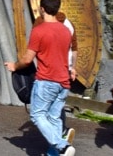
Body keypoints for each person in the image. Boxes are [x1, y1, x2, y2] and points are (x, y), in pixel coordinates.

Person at [5, 0, 75, 156]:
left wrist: (14, 66)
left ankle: (62, 146)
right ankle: (54, 153)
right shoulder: (66, 31)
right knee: (54, 118)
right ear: (57, 9)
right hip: (63, 82)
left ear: (42, 9)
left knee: (37, 115)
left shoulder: (39, 31)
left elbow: (28, 59)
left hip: (46, 80)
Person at [33, 10, 78, 145]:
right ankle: (56, 148)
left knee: (39, 113)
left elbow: (34, 47)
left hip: (48, 72)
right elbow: (74, 49)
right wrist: (73, 68)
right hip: (65, 71)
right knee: (55, 111)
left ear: (43, 8)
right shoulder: (69, 25)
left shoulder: (41, 23)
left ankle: (61, 143)